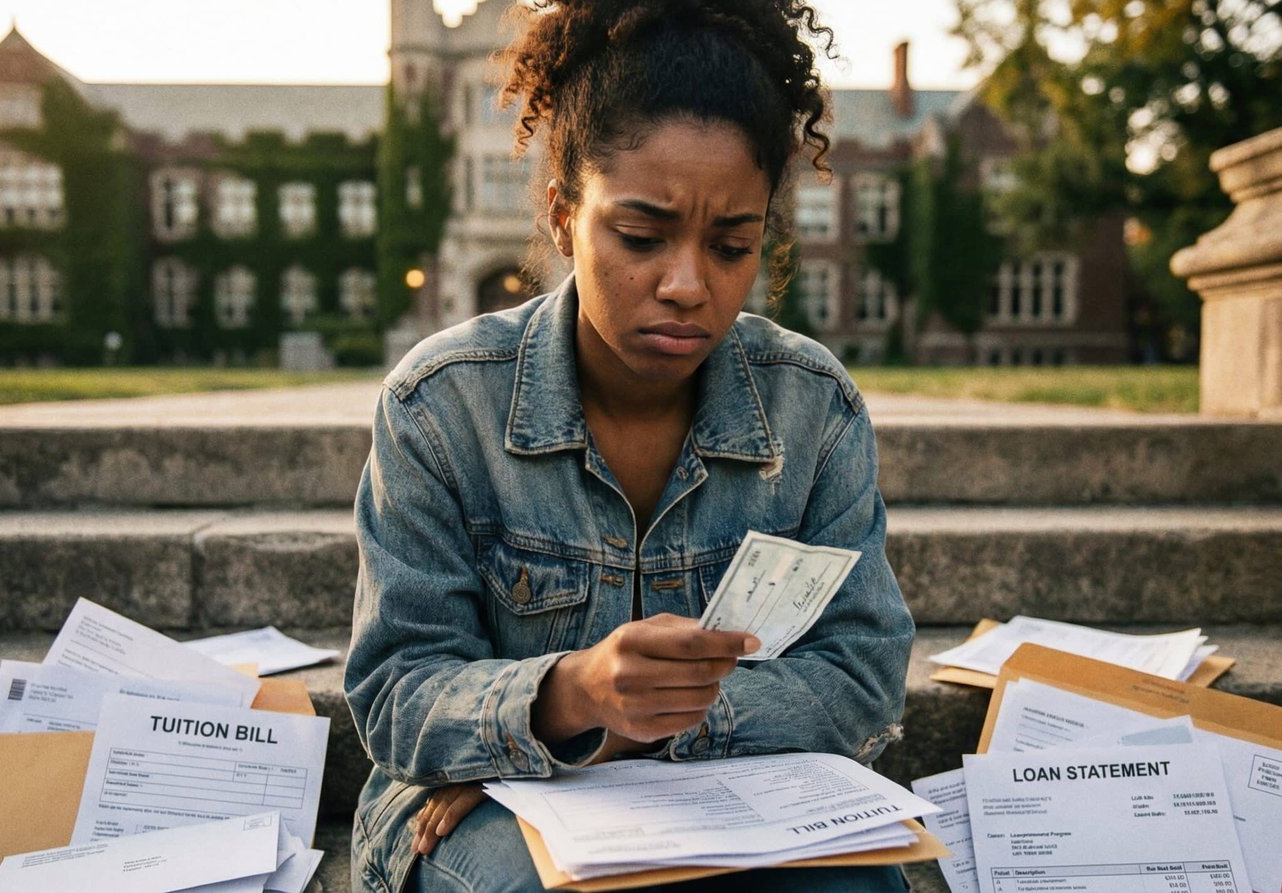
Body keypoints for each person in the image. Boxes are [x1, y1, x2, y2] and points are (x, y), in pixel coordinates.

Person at [344, 2, 916, 890]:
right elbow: (397, 686)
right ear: (564, 212)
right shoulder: (440, 404)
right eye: (642, 237)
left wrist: (620, 730)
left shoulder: (815, 409)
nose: (688, 284)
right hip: (482, 800)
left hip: (738, 788)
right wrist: (562, 697)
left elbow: (862, 670)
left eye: (733, 245)